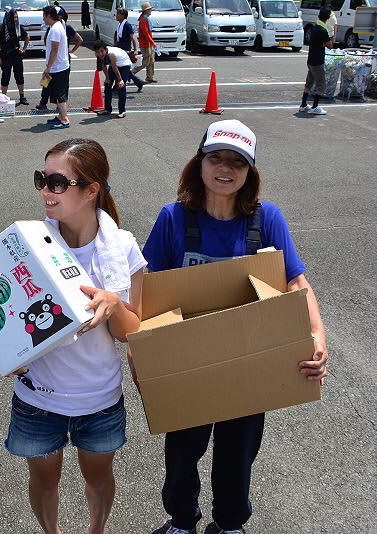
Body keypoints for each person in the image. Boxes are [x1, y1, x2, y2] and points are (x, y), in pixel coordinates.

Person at [143, 119, 328, 534]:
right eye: (216, 158)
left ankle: (230, 524)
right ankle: (182, 520)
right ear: (199, 163)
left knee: (238, 454)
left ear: (250, 172)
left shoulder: (267, 219)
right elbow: (148, 293)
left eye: (237, 162)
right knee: (182, 452)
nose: (225, 169)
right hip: (188, 363)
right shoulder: (174, 219)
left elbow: (297, 283)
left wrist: (317, 337)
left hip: (250, 362)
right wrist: (143, 355)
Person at [5, 137, 146, 534]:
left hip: (99, 398)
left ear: (91, 190)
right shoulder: (28, 243)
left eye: (57, 182)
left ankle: (96, 529)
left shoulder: (122, 248)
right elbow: (6, 314)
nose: (45, 191)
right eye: (42, 179)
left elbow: (132, 332)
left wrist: (114, 305)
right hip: (37, 397)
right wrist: (8, 351)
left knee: (98, 478)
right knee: (44, 480)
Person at [36, 15, 84, 111]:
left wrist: (71, 50)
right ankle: (43, 102)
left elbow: (80, 39)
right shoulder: (52, 27)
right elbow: (46, 39)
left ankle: (62, 104)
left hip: (61, 60)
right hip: (52, 59)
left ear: (61, 17)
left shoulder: (66, 27)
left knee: (62, 84)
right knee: (46, 81)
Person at [299, 6, 332, 115]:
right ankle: (315, 106)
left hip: (310, 59)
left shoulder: (314, 28)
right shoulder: (323, 30)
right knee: (322, 85)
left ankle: (303, 105)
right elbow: (330, 45)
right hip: (318, 61)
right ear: (328, 18)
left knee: (309, 83)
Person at [42, 5, 71, 129]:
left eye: (44, 16)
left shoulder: (55, 29)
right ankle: (60, 116)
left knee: (60, 95)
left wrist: (48, 67)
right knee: (57, 93)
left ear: (49, 16)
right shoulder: (57, 26)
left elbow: (55, 50)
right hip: (59, 66)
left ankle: (64, 119)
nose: (43, 19)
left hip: (58, 67)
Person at [0, 8, 30, 106]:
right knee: (5, 77)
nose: (16, 19)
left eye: (17, 17)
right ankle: (3, 97)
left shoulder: (18, 27)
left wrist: (24, 49)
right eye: (14, 17)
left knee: (19, 76)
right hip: (6, 56)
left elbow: (27, 36)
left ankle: (22, 96)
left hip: (17, 55)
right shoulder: (0, 28)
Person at [94, 41, 132, 118]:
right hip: (113, 65)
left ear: (106, 50)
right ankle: (107, 109)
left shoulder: (111, 54)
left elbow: (115, 68)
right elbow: (103, 66)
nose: (100, 54)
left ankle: (122, 111)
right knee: (107, 85)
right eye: (98, 52)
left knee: (121, 86)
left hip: (124, 64)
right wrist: (107, 78)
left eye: (102, 51)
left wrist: (120, 80)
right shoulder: (98, 55)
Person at [114, 8, 145, 92]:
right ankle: (138, 82)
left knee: (121, 67)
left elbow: (133, 37)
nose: (116, 15)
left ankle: (118, 85)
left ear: (123, 15)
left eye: (118, 14)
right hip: (120, 49)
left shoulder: (127, 25)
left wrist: (135, 50)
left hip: (125, 50)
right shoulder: (119, 25)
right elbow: (118, 40)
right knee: (121, 67)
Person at [132, 2, 157, 83]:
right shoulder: (143, 20)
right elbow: (146, 33)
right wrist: (152, 42)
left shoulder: (145, 19)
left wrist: (152, 42)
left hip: (148, 43)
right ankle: (131, 73)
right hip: (146, 44)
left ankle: (150, 77)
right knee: (146, 62)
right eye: (150, 9)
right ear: (146, 11)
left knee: (151, 61)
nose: (151, 11)